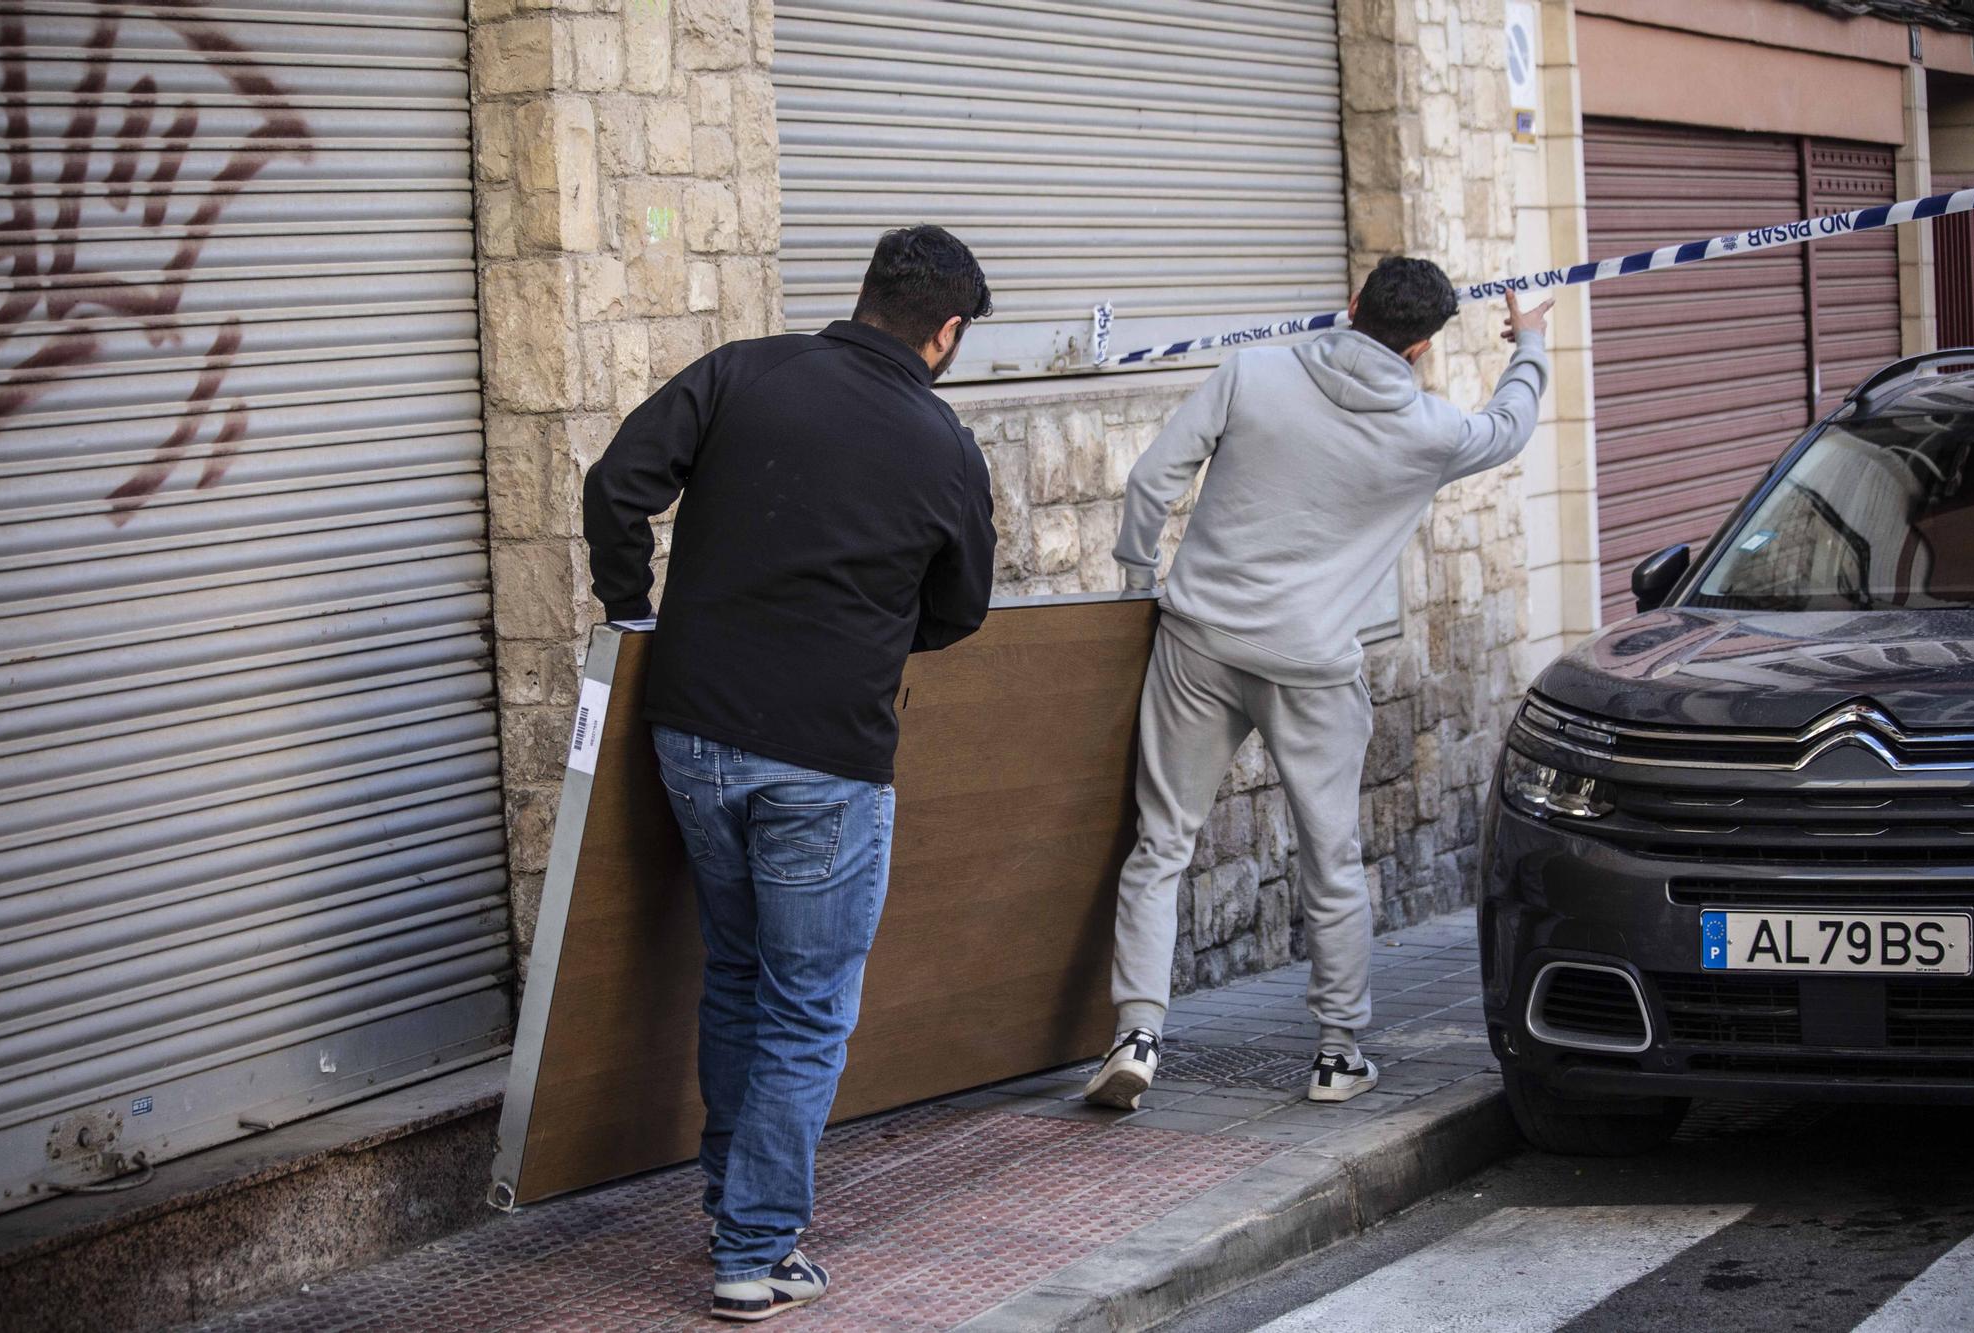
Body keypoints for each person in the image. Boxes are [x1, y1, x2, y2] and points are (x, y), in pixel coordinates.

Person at [581, 224, 997, 1322]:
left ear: (864, 298)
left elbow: (617, 485)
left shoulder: (742, 372)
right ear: (944, 332)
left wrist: (633, 610)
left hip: (690, 739)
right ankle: (756, 1250)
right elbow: (958, 611)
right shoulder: (943, 445)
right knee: (806, 1007)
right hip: (825, 759)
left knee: (735, 971)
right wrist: (857, 629)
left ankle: (732, 1205)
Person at [1083, 259, 1553, 1111]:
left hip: (1199, 640)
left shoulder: (1252, 370)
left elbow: (1153, 479)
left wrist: (1134, 573)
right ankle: (1338, 1053)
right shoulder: (1429, 431)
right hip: (1313, 666)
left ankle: (1138, 1034)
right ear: (1418, 346)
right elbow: (1511, 426)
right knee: (1331, 859)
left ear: (1350, 307)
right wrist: (1531, 342)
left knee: (1161, 844)